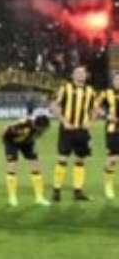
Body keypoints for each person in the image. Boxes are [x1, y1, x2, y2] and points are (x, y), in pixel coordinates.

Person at [50, 66, 96, 202]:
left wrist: (91, 123)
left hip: (82, 130)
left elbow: (95, 109)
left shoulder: (90, 91)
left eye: (83, 72)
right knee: (62, 159)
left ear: (86, 75)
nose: (80, 74)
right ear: (73, 75)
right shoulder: (65, 88)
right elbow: (54, 105)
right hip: (67, 130)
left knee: (80, 160)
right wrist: (64, 121)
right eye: (78, 72)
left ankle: (78, 192)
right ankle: (56, 191)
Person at [2, 114, 52, 207]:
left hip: (27, 143)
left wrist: (31, 141)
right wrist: (7, 143)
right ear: (37, 125)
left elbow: (34, 136)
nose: (44, 130)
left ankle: (39, 198)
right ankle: (12, 197)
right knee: (12, 167)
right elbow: (5, 130)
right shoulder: (24, 123)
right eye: (43, 128)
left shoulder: (39, 130)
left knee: (36, 167)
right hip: (12, 142)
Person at [94, 71, 119, 200]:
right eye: (117, 80)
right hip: (113, 129)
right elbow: (95, 105)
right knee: (113, 158)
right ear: (113, 81)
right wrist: (107, 116)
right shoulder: (107, 93)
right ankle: (108, 185)